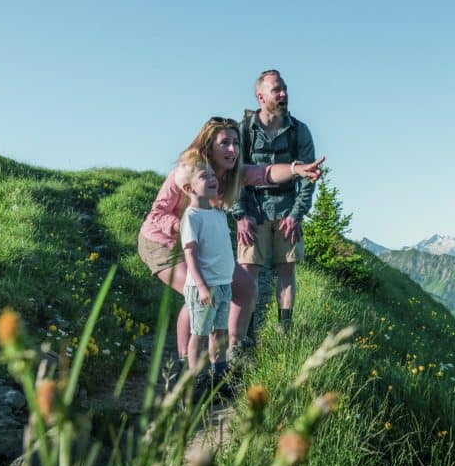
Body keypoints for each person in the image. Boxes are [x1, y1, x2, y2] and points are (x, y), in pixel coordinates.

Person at [138, 116, 324, 372]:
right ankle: (186, 369)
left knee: (246, 287)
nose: (233, 150)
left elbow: (264, 174)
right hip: (163, 244)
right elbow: (157, 213)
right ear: (208, 145)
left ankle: (228, 355)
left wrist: (295, 169)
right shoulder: (188, 171)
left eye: (236, 143)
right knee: (198, 294)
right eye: (225, 143)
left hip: (202, 245)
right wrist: (178, 226)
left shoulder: (232, 173)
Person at [231, 70, 316, 335]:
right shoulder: (243, 130)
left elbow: (309, 176)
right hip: (252, 210)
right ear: (260, 96)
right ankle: (246, 332)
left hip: (286, 210)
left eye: (285, 89)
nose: (283, 94)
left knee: (286, 269)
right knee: (247, 271)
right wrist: (239, 214)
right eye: (276, 90)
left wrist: (296, 215)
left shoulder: (299, 130)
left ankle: (284, 328)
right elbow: (233, 174)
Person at [175, 153, 232, 382]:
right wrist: (201, 286)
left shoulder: (218, 213)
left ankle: (218, 376)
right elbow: (190, 253)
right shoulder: (192, 217)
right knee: (198, 333)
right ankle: (195, 379)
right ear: (189, 188)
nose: (212, 178)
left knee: (220, 332)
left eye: (212, 175)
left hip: (223, 284)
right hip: (204, 287)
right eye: (203, 176)